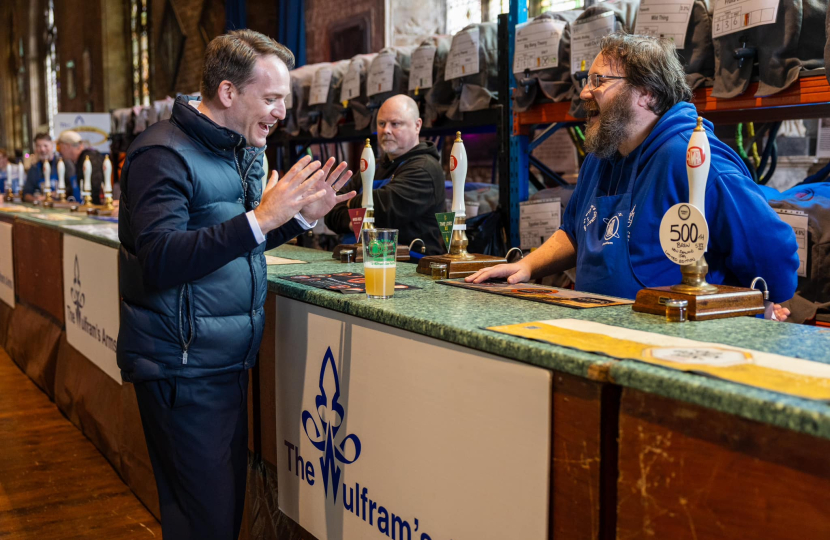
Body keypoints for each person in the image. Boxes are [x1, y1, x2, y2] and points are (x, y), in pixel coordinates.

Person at [117, 30, 355, 540]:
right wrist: (262, 217)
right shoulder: (161, 154)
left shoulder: (231, 152)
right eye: (270, 99)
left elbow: (229, 248)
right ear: (228, 93)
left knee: (221, 517)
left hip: (220, 361)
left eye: (284, 101)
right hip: (182, 366)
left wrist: (296, 220)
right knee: (204, 522)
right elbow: (160, 259)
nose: (280, 113)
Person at [467, 33, 797, 321]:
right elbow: (575, 232)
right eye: (587, 81)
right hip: (597, 328)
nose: (584, 93)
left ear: (647, 94)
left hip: (665, 344)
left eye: (599, 81)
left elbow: (773, 255)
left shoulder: (693, 156)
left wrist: (756, 305)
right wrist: (527, 266)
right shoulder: (601, 155)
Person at [325, 94, 446, 254]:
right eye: (381, 123)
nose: (386, 130)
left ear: (417, 126)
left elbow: (383, 210)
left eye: (395, 124)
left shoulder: (424, 168)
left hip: (409, 265)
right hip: (360, 258)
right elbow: (329, 211)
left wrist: (348, 205)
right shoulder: (373, 165)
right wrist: (361, 219)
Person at [57, 130, 100, 203]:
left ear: (67, 146)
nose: (59, 151)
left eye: (59, 147)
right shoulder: (81, 160)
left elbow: (95, 187)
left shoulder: (89, 160)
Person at [22, 133, 62, 202]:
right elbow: (26, 193)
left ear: (52, 146)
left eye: (45, 146)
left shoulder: (61, 164)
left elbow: (70, 189)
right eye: (39, 146)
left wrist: (54, 194)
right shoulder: (34, 169)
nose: (42, 149)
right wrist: (36, 199)